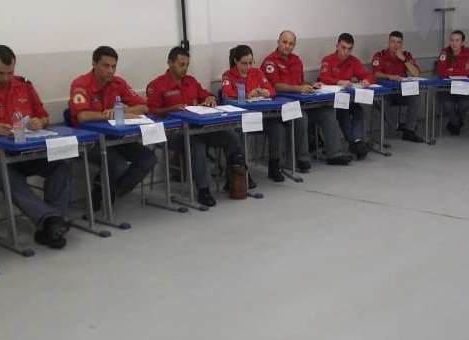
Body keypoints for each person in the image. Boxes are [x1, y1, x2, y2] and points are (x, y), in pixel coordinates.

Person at [0, 45, 70, 249]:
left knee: (59, 166)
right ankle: (51, 221)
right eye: (0, 73)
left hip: (24, 151)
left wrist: (39, 122)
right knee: (9, 177)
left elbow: (43, 116)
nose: (6, 78)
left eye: (10, 73)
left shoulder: (23, 85)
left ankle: (51, 226)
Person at [147, 46, 251, 207]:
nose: (184, 68)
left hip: (198, 128)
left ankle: (235, 178)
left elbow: (206, 95)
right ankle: (204, 190)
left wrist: (210, 99)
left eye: (187, 65)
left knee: (230, 135)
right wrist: (171, 109)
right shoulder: (157, 84)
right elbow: (151, 112)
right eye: (181, 64)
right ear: (170, 63)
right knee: (197, 144)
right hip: (173, 133)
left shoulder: (191, 81)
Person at [70, 46, 157, 211]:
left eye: (113, 66)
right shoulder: (80, 84)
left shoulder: (118, 83)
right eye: (106, 65)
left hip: (115, 137)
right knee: (117, 163)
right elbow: (82, 116)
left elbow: (144, 107)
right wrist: (106, 115)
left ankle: (109, 191)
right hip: (90, 140)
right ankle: (103, 193)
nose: (110, 70)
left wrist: (123, 112)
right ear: (94, 64)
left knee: (148, 158)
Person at [261, 30, 351, 167]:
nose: (287, 46)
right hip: (282, 108)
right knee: (301, 117)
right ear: (278, 42)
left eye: (291, 43)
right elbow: (276, 86)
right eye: (284, 42)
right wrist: (298, 88)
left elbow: (300, 81)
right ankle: (302, 159)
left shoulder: (296, 60)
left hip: (303, 103)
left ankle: (335, 154)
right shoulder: (270, 62)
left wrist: (312, 85)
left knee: (328, 112)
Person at [223, 44, 301, 183]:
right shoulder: (228, 75)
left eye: (250, 63)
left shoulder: (257, 72)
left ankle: (274, 166)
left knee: (277, 127)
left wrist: (266, 92)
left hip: (260, 117)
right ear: (235, 61)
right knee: (238, 134)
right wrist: (247, 94)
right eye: (244, 63)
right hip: (240, 120)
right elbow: (227, 94)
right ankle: (243, 172)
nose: (248, 67)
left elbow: (272, 90)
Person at [319, 33, 375, 161]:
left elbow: (369, 74)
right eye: (343, 48)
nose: (346, 52)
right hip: (332, 101)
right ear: (337, 46)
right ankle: (355, 144)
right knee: (343, 113)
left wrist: (367, 80)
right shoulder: (328, 60)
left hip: (348, 99)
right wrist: (339, 82)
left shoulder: (353, 61)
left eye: (349, 49)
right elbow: (324, 78)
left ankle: (357, 141)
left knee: (358, 110)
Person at [372, 31, 425, 143]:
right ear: (388, 42)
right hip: (386, 93)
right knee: (378, 101)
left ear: (402, 44)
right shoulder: (380, 55)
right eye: (393, 42)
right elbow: (375, 73)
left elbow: (416, 73)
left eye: (398, 42)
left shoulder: (406, 55)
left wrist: (403, 59)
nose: (395, 45)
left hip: (402, 92)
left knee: (416, 96)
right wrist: (389, 76)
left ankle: (409, 131)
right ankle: (395, 126)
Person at [435, 30, 469, 136]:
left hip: (464, 89)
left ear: (462, 42)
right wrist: (463, 70)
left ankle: (453, 123)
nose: (454, 43)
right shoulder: (445, 52)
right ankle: (456, 123)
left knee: (465, 104)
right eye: (452, 40)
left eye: (457, 40)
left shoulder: (468, 52)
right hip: (447, 89)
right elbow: (440, 72)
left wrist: (451, 71)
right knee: (448, 104)